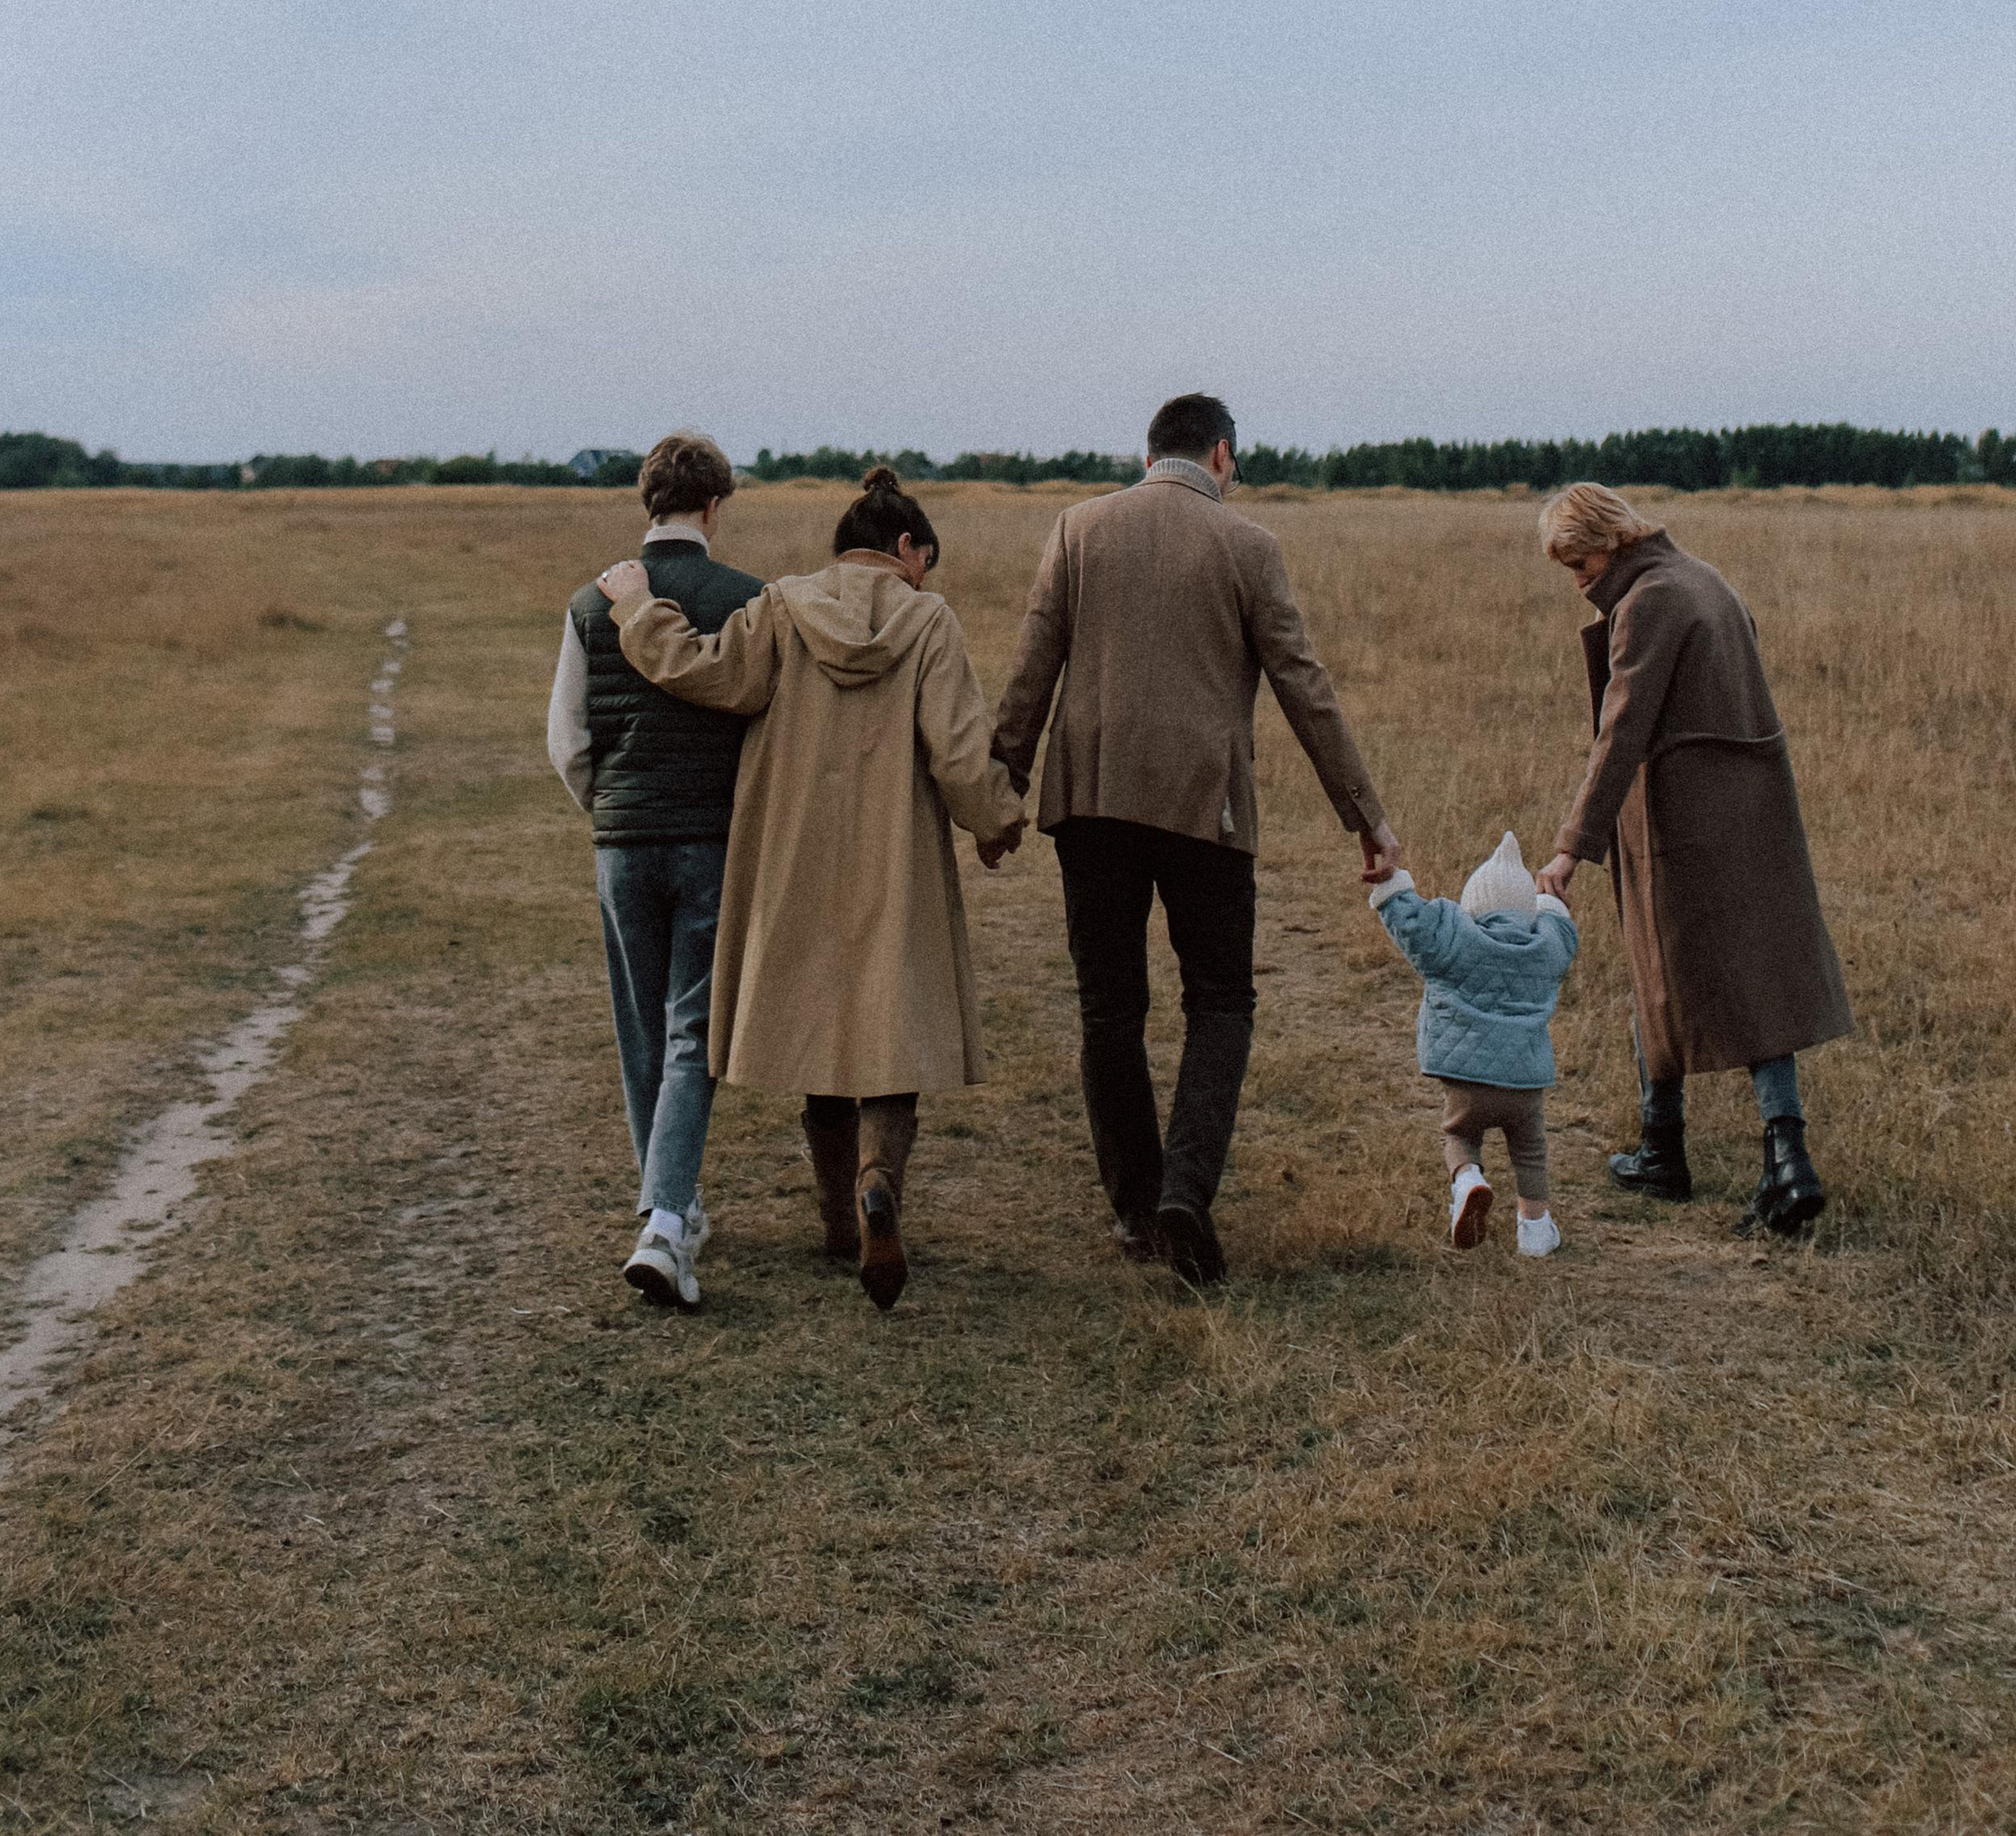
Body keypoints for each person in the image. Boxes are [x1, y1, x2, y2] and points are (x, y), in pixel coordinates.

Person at [992, 391, 1402, 1288]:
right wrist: (1365, 816)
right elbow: (1303, 685)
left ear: (1149, 457)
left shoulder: (1076, 528)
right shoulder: (1248, 544)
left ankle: (1138, 1211)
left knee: (1109, 1009)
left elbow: (1031, 668)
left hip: (1092, 804)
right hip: (1205, 813)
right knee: (1220, 1001)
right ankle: (1185, 1191)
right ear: (1220, 454)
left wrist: (1001, 790)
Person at [597, 466, 1027, 1311]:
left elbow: (703, 672)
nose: (924, 579)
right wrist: (996, 823)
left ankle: (837, 1221)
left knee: (822, 1030)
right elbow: (959, 753)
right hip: (896, 858)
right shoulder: (929, 620)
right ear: (904, 546)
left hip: (794, 857)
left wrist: (637, 609)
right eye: (925, 561)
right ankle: (877, 1182)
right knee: (889, 1032)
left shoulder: (782, 608)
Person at [1535, 483, 1852, 1235]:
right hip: (1751, 812)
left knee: (1656, 975)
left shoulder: (1649, 601)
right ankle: (1785, 1158)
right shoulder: (1706, 578)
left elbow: (1620, 734)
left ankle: (1664, 1150)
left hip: (1682, 819)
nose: (1577, 581)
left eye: (1580, 563)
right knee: (1759, 982)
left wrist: (1570, 849)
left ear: (1610, 539)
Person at [548, 429, 762, 1314]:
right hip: (711, 838)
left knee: (641, 1032)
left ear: (648, 503)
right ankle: (667, 1222)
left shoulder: (588, 602)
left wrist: (607, 808)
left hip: (622, 839)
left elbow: (567, 742)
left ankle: (669, 1205)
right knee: (690, 1036)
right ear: (714, 505)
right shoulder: (748, 598)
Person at [1368, 830, 1577, 1259]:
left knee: (1461, 1134)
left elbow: (1411, 922)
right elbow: (1561, 930)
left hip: (1467, 1077)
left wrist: (1392, 883)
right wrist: (1551, 903)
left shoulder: (1455, 937)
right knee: (1530, 1150)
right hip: (1525, 1083)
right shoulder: (1546, 947)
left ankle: (1468, 1181)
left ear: (1473, 904)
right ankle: (1536, 1230)